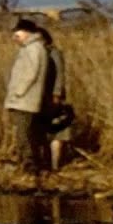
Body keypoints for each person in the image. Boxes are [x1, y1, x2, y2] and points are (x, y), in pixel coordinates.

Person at [3, 18, 48, 175]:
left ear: (27, 32)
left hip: (25, 99)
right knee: (24, 133)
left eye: (18, 33)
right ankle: (24, 162)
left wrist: (19, 92)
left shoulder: (34, 49)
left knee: (25, 134)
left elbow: (31, 73)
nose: (16, 36)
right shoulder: (31, 48)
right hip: (24, 99)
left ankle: (29, 165)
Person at [37, 27, 73, 171]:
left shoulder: (54, 53)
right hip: (40, 98)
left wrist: (57, 93)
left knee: (58, 130)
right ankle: (46, 162)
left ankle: (55, 164)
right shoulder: (35, 54)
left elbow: (59, 74)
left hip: (53, 97)